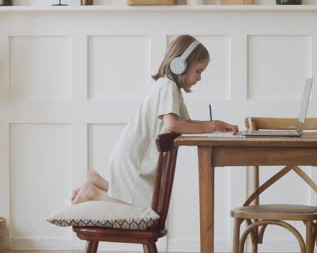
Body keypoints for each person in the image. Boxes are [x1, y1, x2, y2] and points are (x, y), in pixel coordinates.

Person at [71, 35, 239, 205]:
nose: (200, 78)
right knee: (143, 208)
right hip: (135, 159)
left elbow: (186, 123)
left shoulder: (170, 88)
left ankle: (96, 180)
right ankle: (93, 192)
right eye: (198, 71)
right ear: (180, 65)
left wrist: (215, 124)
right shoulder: (166, 86)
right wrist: (208, 127)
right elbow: (172, 125)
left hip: (133, 156)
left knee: (142, 201)